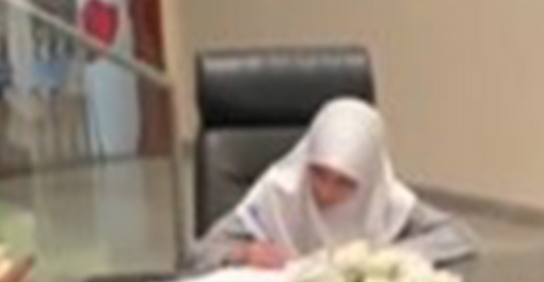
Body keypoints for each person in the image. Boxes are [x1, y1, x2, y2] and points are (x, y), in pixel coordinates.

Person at [188, 98, 475, 271]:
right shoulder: (280, 192)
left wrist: (380, 260)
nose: (325, 192)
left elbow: (459, 237)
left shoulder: (385, 199)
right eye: (318, 173)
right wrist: (243, 253)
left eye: (344, 183)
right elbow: (197, 254)